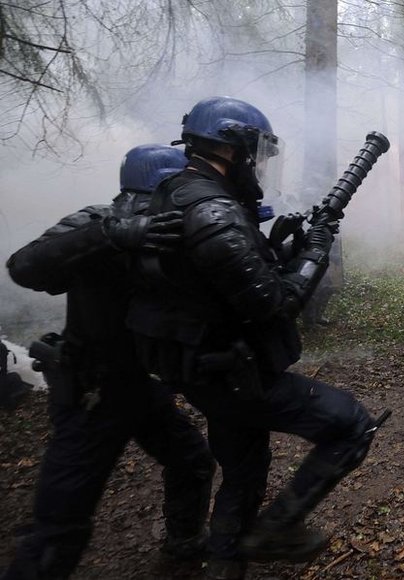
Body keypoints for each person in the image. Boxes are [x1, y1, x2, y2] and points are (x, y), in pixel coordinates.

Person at [125, 97, 382, 579]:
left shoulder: (182, 194)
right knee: (352, 425)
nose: (261, 165)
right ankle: (279, 528)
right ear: (234, 149)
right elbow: (275, 305)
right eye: (256, 153)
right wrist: (316, 254)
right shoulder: (211, 211)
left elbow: (216, 285)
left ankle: (225, 565)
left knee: (243, 474)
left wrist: (276, 246)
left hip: (210, 369)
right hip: (232, 373)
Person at [2, 144, 215, 579]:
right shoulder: (97, 220)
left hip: (141, 385)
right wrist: (108, 235)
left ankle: (185, 541)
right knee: (60, 522)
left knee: (191, 459)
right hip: (91, 395)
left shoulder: (174, 227)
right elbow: (25, 267)